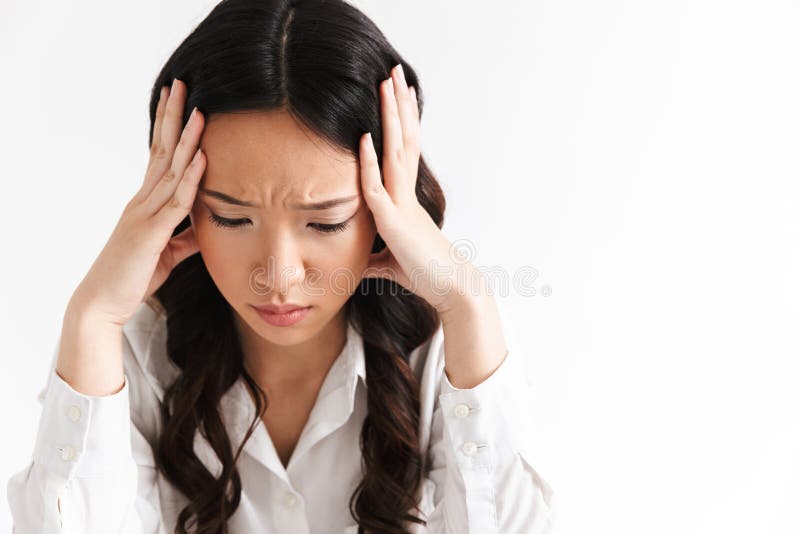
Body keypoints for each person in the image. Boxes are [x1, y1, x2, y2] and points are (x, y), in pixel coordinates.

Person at [6, 0, 555, 532]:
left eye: (325, 223)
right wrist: (92, 317)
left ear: (388, 205)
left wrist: (470, 305)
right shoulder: (132, 350)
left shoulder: (447, 350)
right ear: (181, 203)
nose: (279, 276)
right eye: (231, 218)